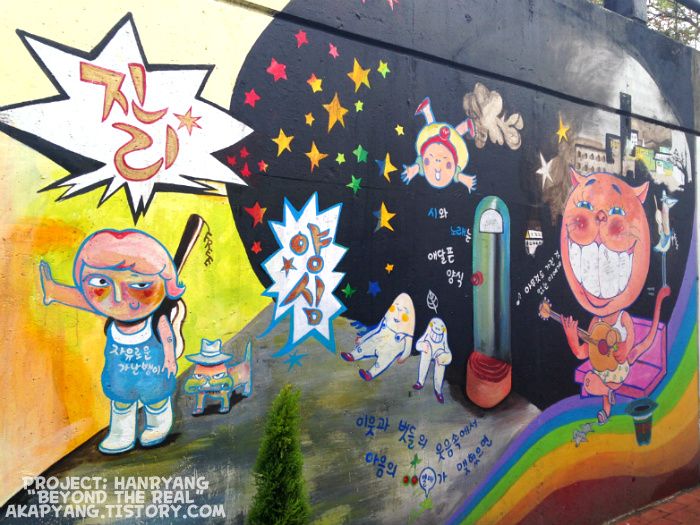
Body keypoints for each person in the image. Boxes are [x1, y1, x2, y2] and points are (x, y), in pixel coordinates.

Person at [39, 229, 185, 453]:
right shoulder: (112, 315)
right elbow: (80, 299)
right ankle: (121, 433)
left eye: (139, 285)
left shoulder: (157, 319)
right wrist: (53, 290)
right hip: (120, 379)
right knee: (121, 403)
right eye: (101, 282)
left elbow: (167, 337)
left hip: (153, 375)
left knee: (155, 401)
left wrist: (169, 358)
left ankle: (157, 425)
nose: (118, 297)